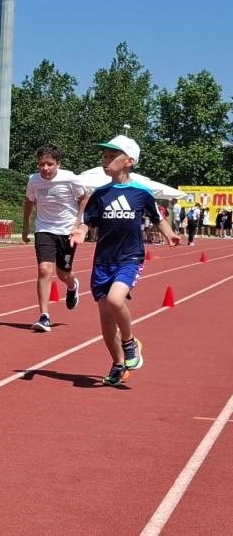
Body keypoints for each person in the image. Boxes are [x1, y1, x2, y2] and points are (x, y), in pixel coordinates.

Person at [69, 135, 179, 386]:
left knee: (115, 299)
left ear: (128, 161)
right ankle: (118, 364)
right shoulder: (100, 194)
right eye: (104, 156)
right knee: (106, 319)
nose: (105, 161)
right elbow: (87, 221)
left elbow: (156, 217)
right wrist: (81, 231)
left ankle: (129, 342)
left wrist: (169, 233)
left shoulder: (141, 193)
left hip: (129, 257)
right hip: (103, 261)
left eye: (112, 157)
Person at [21, 144, 88, 332]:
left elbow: (84, 198)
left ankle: (72, 285)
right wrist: (26, 226)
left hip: (67, 231)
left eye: (49, 164)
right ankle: (44, 316)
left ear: (58, 164)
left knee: (63, 274)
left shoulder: (70, 178)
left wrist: (78, 222)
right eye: (41, 164)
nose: (45, 169)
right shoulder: (33, 181)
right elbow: (29, 202)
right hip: (44, 229)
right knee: (44, 269)